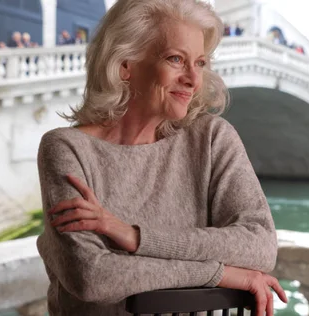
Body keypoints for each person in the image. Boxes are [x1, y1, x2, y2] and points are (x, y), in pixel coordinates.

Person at [36, 0, 287, 315]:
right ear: (125, 63)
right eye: (176, 59)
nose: (193, 80)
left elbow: (260, 247)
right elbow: (93, 278)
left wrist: (135, 237)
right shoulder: (66, 148)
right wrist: (220, 273)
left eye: (200, 63)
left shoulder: (212, 138)